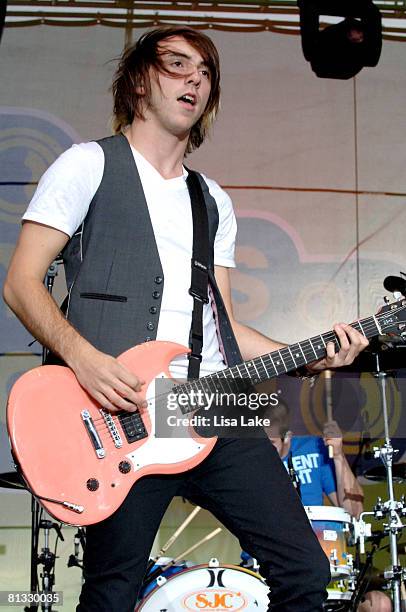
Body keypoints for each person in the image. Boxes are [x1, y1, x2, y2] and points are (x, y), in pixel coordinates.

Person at [3, 26, 369, 612]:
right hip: (121, 409)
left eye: (204, 72)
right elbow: (21, 282)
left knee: (303, 568)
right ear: (141, 78)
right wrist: (86, 360)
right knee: (113, 590)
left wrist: (308, 351)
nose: (194, 78)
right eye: (177, 65)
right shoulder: (88, 165)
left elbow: (224, 323)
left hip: (211, 402)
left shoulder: (212, 200)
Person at [262, 402, 392, 612]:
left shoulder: (313, 448)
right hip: (267, 564)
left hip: (322, 561)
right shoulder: (250, 459)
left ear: (288, 437)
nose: (264, 449)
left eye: (271, 442)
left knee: (380, 604)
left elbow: (354, 510)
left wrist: (339, 455)